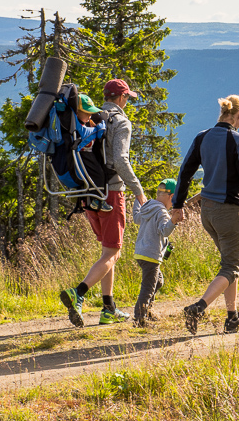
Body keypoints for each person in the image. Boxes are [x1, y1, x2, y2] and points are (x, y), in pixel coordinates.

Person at [171, 94, 239, 335]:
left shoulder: (202, 138)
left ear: (223, 112)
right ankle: (198, 308)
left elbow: (185, 173)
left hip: (207, 213)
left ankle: (233, 318)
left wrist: (178, 204)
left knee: (229, 266)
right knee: (231, 267)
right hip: (228, 212)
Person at [60, 79, 147, 327]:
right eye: (127, 97)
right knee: (112, 251)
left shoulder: (92, 117)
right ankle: (79, 292)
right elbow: (120, 160)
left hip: (89, 193)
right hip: (111, 193)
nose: (127, 101)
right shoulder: (120, 122)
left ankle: (109, 308)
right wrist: (139, 192)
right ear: (121, 98)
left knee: (108, 251)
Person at [132, 178, 183, 327]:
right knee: (148, 287)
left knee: (157, 282)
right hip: (151, 255)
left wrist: (137, 198)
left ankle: (147, 312)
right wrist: (173, 221)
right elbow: (165, 231)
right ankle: (140, 319)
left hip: (141, 253)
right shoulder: (161, 211)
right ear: (172, 197)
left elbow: (136, 218)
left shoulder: (148, 206)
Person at [74, 94, 112, 213]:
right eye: (87, 112)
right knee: (98, 174)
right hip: (84, 155)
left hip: (84, 154)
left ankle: (93, 199)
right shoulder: (77, 125)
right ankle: (97, 199)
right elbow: (96, 133)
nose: (90, 115)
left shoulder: (79, 122)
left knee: (96, 175)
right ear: (77, 111)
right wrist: (101, 125)